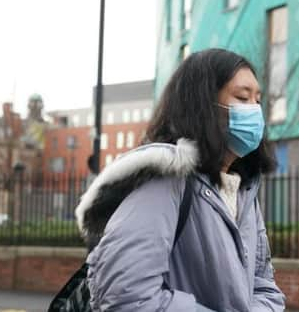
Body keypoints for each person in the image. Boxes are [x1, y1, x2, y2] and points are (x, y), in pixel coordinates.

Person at [75, 48, 286, 311]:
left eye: (258, 100)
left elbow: (265, 286)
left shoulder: (242, 189)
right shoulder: (164, 181)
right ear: (203, 104)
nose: (255, 110)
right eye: (243, 98)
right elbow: (129, 297)